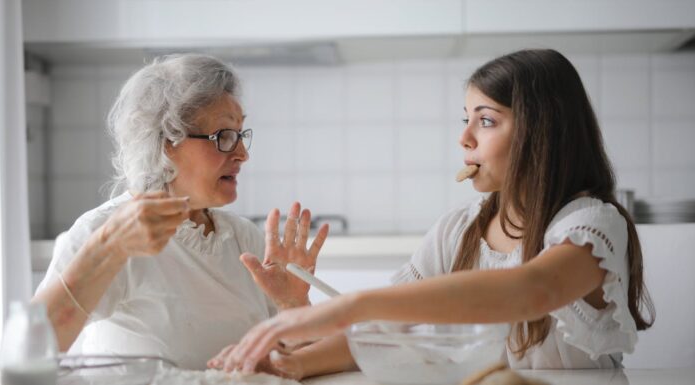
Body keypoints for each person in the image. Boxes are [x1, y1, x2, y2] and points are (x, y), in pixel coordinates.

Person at [210, 49, 655, 376]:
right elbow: (387, 330)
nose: (464, 138)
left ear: (542, 132)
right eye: (465, 119)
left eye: (486, 120)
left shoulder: (592, 224)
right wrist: (293, 363)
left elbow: (533, 289)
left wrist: (354, 303)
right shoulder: (458, 230)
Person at [32, 54, 328, 370]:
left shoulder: (244, 239)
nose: (242, 154)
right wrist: (107, 249)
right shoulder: (106, 230)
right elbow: (32, 350)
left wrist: (293, 305)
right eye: (224, 137)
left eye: (241, 135)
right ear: (165, 142)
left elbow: (295, 362)